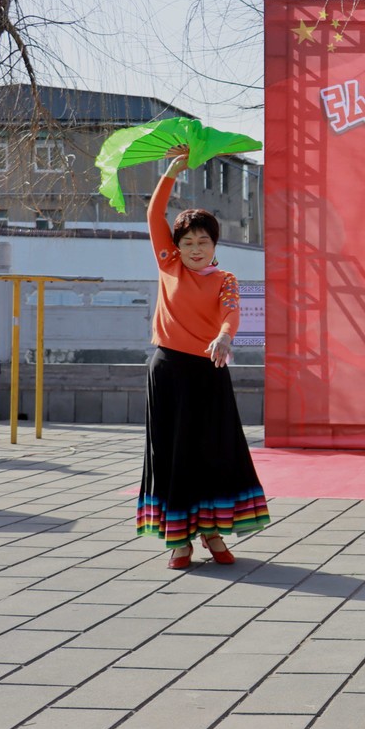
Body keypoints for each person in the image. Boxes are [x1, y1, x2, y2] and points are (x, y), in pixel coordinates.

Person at [136, 151, 271, 569]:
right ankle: (179, 541)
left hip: (210, 371)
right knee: (172, 453)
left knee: (213, 451)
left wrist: (224, 336)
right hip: (168, 371)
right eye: (187, 242)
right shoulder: (169, 265)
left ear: (215, 245)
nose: (195, 249)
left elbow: (231, 312)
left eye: (203, 241)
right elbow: (155, 211)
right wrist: (173, 173)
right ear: (175, 247)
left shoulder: (226, 279)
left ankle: (212, 532)